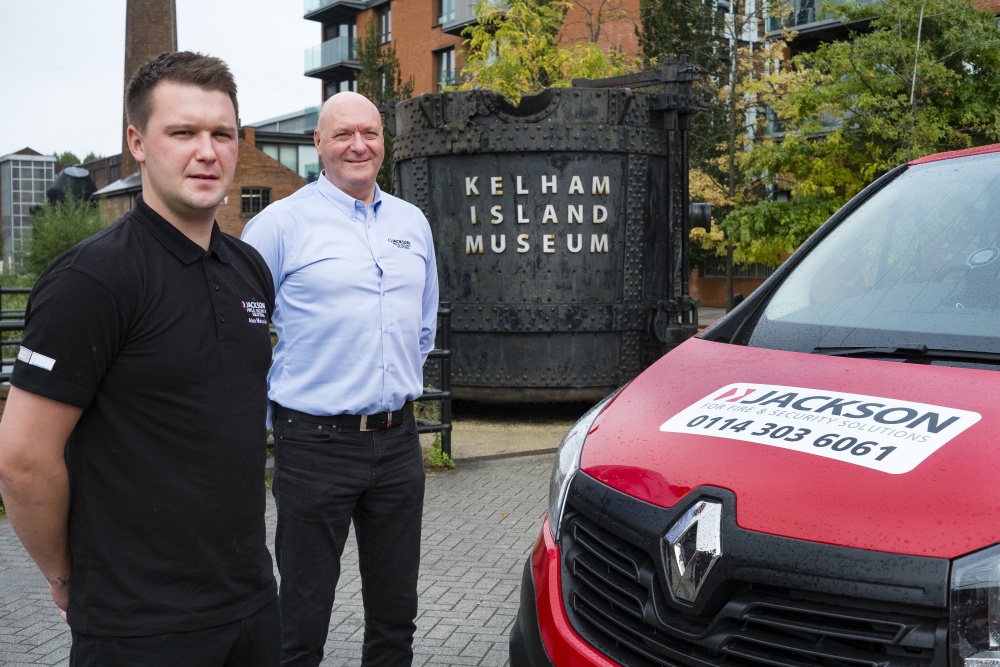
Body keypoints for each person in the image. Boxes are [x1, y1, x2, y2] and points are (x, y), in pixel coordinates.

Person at [0, 51, 279, 665]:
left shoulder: (249, 269)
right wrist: (66, 578)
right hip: (139, 628)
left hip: (253, 606)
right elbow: (23, 460)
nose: (206, 151)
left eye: (221, 133)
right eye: (183, 132)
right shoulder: (93, 280)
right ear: (138, 143)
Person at [241, 91, 439, 667]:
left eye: (370, 133)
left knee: (396, 614)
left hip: (399, 444)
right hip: (314, 448)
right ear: (318, 145)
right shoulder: (278, 226)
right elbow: (243, 338)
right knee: (300, 620)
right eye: (343, 134)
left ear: (384, 140)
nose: (359, 145)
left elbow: (421, 326)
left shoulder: (412, 222)